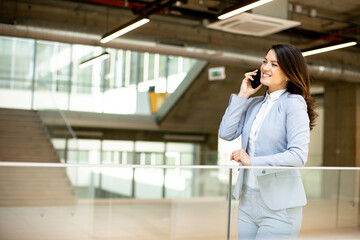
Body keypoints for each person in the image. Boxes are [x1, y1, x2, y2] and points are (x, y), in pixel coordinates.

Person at [218, 44, 317, 240]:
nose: (265, 68)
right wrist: (243, 95)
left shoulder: (293, 103)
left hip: (280, 206)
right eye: (264, 61)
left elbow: (298, 156)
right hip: (248, 201)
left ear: (289, 73)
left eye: (274, 64)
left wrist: (252, 161)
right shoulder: (254, 104)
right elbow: (226, 133)